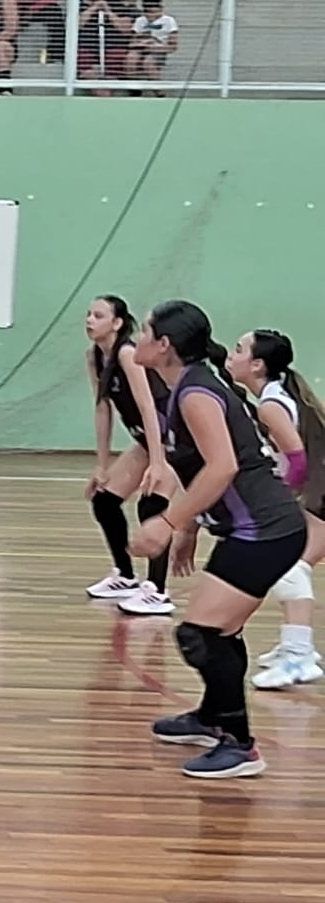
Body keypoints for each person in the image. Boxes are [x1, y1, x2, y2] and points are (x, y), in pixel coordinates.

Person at [128, 301, 308, 778]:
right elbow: (201, 467)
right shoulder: (188, 385)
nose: (139, 338)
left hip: (267, 531)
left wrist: (167, 522)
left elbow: (223, 467)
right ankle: (213, 717)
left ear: (164, 345)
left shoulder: (195, 393)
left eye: (145, 331)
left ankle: (240, 745)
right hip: (255, 529)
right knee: (221, 631)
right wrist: (190, 527)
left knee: (201, 634)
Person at [223, 329, 325, 688]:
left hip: (320, 494)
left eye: (239, 349)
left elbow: (298, 461)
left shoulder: (270, 405)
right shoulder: (274, 396)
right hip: (318, 492)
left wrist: (282, 500)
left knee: (291, 569)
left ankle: (299, 657)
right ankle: (296, 647)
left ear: (257, 365)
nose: (231, 354)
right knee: (292, 568)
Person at [83, 295, 176, 615]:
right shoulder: (94, 357)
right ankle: (125, 576)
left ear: (117, 323)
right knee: (104, 500)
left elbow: (149, 407)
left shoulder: (128, 354)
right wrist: (101, 465)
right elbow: (102, 409)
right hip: (145, 441)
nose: (89, 320)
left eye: (98, 315)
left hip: (172, 439)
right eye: (89, 315)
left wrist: (159, 462)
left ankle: (158, 591)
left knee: (151, 504)